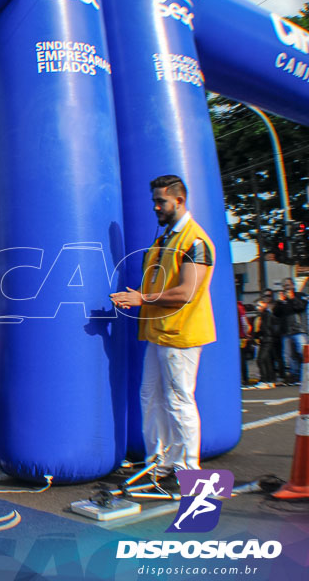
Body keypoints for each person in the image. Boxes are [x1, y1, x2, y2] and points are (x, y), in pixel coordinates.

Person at [111, 174, 215, 483]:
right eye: (155, 201)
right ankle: (158, 461)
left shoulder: (195, 241)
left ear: (179, 201)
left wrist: (140, 298)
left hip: (180, 334)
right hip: (158, 333)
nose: (156, 207)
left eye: (161, 201)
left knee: (178, 399)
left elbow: (185, 293)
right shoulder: (165, 238)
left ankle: (188, 470)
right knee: (150, 396)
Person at [274, 277, 307, 384]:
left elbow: (301, 307)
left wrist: (292, 298)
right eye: (284, 286)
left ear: (293, 285)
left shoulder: (300, 295)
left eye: (288, 285)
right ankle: (295, 376)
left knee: (303, 352)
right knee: (288, 356)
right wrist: (279, 302)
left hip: (299, 329)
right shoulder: (282, 300)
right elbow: (276, 313)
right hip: (286, 332)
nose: (286, 288)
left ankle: (306, 375)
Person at [253, 291, 280, 389]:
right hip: (268, 339)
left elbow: (265, 328)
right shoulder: (265, 315)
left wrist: (258, 334)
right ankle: (269, 380)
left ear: (264, 304)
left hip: (267, 339)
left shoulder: (266, 315)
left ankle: (264, 380)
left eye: (259, 305)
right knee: (267, 360)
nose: (257, 308)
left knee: (261, 360)